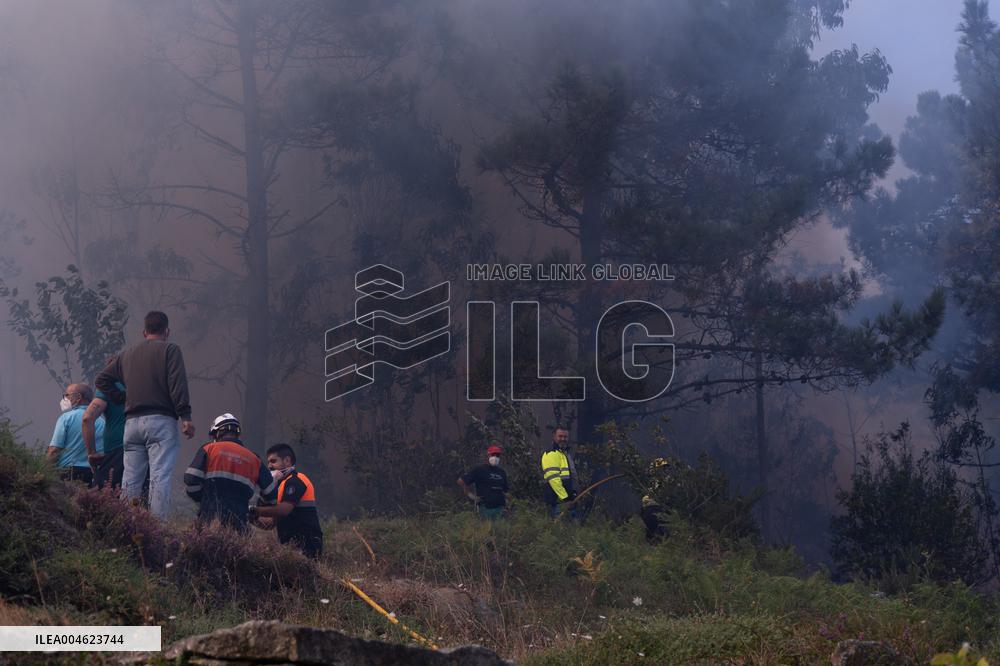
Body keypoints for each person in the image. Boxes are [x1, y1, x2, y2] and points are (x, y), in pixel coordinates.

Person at [96, 310, 195, 519]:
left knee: (130, 478)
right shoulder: (170, 350)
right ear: (166, 331)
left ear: (144, 332)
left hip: (131, 424)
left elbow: (102, 379)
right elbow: (178, 384)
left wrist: (121, 397)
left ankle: (127, 522)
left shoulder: (127, 355)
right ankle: (158, 527)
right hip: (161, 421)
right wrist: (185, 416)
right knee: (160, 475)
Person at [183, 413, 277, 532]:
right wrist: (255, 510)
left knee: (206, 547)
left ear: (217, 433)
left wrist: (201, 499)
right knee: (236, 549)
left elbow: (191, 479)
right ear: (237, 434)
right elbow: (272, 496)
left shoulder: (209, 449)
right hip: (240, 520)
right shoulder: (255, 459)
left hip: (210, 516)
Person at [251, 443, 323, 559]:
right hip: (290, 547)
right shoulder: (280, 486)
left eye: (273, 461)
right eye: (268, 462)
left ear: (287, 461)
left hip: (307, 545)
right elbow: (270, 524)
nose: (269, 466)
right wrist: (250, 516)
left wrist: (255, 510)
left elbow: (284, 510)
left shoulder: (296, 480)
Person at [82, 357, 126, 490]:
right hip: (144, 447)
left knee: (105, 492)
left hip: (116, 447)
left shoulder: (108, 387)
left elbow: (87, 418)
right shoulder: (141, 386)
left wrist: (92, 453)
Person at [48, 383, 104, 485]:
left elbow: (54, 450)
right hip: (93, 474)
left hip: (68, 474)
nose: (64, 399)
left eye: (67, 395)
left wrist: (43, 472)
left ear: (78, 397)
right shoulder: (101, 421)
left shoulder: (66, 418)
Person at [457, 444, 510, 519]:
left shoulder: (502, 472)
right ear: (488, 456)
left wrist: (509, 502)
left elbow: (506, 490)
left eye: (497, 455)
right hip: (485, 508)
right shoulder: (479, 470)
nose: (495, 457)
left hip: (499, 509)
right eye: (493, 454)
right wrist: (470, 495)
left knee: (500, 529)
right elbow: (461, 481)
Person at [541, 427, 577, 518]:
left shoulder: (565, 454)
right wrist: (565, 498)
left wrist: (573, 493)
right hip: (557, 501)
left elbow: (571, 476)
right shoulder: (551, 453)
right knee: (559, 528)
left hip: (569, 500)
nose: (563, 439)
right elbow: (554, 479)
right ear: (554, 436)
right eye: (560, 436)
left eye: (565, 437)